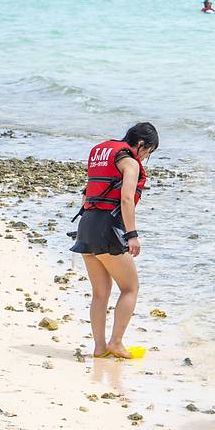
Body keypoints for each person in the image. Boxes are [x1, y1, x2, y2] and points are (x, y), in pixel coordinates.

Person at [70, 122, 159, 359]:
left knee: (100, 293)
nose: (147, 156)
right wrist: (132, 235)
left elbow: (87, 191)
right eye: (149, 151)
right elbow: (126, 199)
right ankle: (116, 343)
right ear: (141, 144)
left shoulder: (101, 154)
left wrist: (84, 230)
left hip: (86, 224)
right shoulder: (129, 161)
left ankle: (99, 347)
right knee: (130, 288)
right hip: (108, 228)